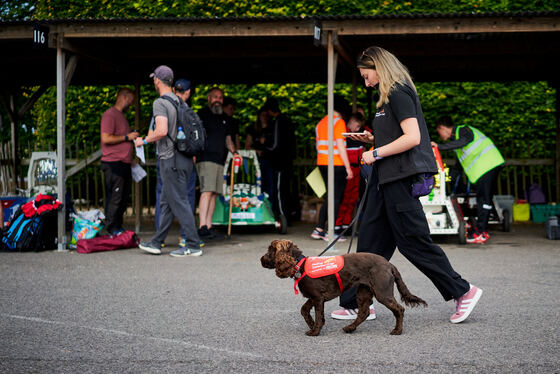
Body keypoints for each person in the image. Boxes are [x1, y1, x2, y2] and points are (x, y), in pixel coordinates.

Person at [335, 46, 482, 324]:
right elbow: (397, 138)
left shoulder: (399, 92)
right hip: (384, 180)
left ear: (379, 67)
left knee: (414, 242)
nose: (366, 83)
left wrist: (374, 153)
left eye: (367, 76)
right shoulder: (386, 99)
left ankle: (463, 292)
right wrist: (371, 141)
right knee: (370, 244)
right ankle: (356, 303)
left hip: (398, 181)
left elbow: (413, 137)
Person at [136, 65, 202, 257]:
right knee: (166, 201)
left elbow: (162, 130)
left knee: (179, 201)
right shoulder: (180, 101)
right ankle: (157, 242)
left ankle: (193, 244)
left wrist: (144, 140)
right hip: (184, 158)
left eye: (154, 79)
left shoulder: (160, 103)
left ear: (157, 80)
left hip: (170, 159)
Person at [433, 116, 505, 244]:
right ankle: (482, 228)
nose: (440, 136)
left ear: (442, 128)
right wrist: (449, 185)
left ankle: (481, 233)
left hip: (488, 165)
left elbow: (466, 140)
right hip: (487, 167)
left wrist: (440, 146)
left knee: (484, 199)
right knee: (483, 198)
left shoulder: (463, 130)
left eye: (439, 133)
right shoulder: (458, 143)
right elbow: (458, 168)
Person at [311, 96, 353, 241]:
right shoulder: (338, 122)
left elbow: (318, 146)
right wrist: (348, 168)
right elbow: (341, 146)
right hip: (337, 163)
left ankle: (319, 228)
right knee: (335, 198)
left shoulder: (320, 123)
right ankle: (330, 231)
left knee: (329, 196)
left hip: (322, 162)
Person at [196, 87, 236, 240]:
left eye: (220, 97)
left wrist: (235, 152)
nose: (218, 100)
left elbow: (228, 139)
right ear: (209, 98)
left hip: (220, 160)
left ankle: (209, 225)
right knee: (206, 191)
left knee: (214, 193)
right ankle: (202, 227)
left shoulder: (224, 118)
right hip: (205, 158)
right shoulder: (201, 115)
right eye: (215, 97)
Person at [100, 87, 138, 236]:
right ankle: (111, 228)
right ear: (124, 96)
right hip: (113, 164)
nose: (132, 103)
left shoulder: (121, 116)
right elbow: (106, 138)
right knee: (115, 198)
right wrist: (127, 137)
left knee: (122, 198)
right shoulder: (110, 115)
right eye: (131, 100)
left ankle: (118, 227)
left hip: (124, 163)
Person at [261, 98, 298, 223]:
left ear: (270, 110)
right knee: (286, 189)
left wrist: (265, 146)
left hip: (280, 162)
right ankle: (288, 215)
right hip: (288, 161)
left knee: (279, 191)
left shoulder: (279, 121)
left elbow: (275, 145)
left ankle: (282, 217)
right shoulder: (287, 120)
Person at [334, 112, 365, 237]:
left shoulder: (358, 135)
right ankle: (337, 225)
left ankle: (346, 226)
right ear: (351, 121)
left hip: (358, 169)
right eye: (356, 126)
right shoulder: (343, 134)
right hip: (348, 170)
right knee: (343, 198)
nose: (358, 129)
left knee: (352, 198)